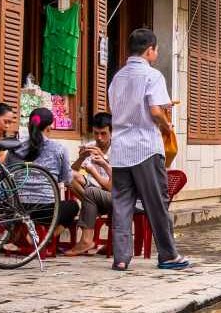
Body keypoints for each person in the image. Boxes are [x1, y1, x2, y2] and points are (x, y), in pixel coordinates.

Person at [107, 29, 189, 271]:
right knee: (156, 203)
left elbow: (115, 109)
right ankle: (168, 255)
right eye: (156, 49)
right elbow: (155, 111)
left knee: (122, 204)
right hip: (145, 147)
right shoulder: (153, 76)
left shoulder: (118, 77)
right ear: (150, 50)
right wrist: (167, 124)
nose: (157, 52)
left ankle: (121, 259)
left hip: (120, 148)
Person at [12, 108, 80, 238]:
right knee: (73, 206)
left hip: (17, 208)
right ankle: (46, 239)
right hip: (46, 211)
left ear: (28, 125)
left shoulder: (16, 148)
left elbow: (9, 174)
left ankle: (23, 238)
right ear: (49, 128)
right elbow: (66, 179)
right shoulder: (59, 149)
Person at [65, 113, 112, 256]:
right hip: (94, 192)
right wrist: (81, 158)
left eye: (103, 133)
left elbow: (111, 187)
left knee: (91, 193)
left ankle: (86, 240)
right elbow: (71, 171)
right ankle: (92, 208)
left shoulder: (119, 149)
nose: (99, 138)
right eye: (96, 133)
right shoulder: (91, 146)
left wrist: (102, 162)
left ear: (111, 132)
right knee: (70, 176)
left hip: (112, 195)